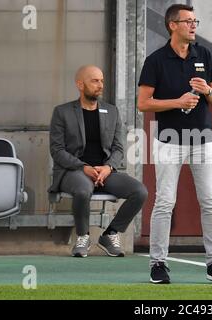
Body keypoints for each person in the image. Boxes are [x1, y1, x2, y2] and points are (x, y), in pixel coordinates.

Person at [137, 4, 212, 284]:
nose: (193, 25)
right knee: (165, 202)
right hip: (169, 141)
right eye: (188, 21)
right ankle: (158, 264)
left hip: (204, 140)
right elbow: (143, 103)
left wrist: (207, 90)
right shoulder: (155, 60)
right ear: (172, 25)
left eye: (195, 21)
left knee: (210, 201)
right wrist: (177, 102)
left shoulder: (204, 54)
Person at [49, 65, 148, 258]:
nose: (100, 85)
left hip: (104, 171)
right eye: (95, 81)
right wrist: (82, 166)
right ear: (80, 84)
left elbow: (119, 149)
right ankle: (83, 237)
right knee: (83, 189)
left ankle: (110, 234)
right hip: (73, 171)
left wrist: (108, 167)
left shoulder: (112, 112)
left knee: (139, 191)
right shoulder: (63, 112)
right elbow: (57, 150)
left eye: (101, 80)